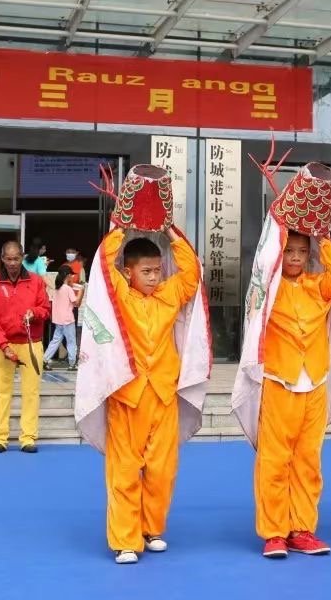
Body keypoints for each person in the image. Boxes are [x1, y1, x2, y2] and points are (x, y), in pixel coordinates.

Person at [74, 163, 210, 566]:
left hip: (163, 393)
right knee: (124, 470)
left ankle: (151, 528)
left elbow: (192, 272)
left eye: (156, 270)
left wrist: (168, 230)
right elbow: (103, 262)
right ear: (128, 273)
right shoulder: (119, 295)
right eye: (145, 271)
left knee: (162, 469)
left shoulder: (169, 295)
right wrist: (123, 223)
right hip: (127, 394)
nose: (153, 276)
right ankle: (125, 539)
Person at [232, 160, 331, 559]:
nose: (293, 256)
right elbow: (264, 265)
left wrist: (321, 237)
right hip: (279, 381)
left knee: (308, 462)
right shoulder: (270, 290)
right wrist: (279, 230)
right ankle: (274, 532)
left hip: (316, 383)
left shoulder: (317, 286)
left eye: (300, 251)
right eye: (289, 250)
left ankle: (302, 529)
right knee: (274, 461)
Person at [0, 240, 50, 454]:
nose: (12, 263)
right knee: (2, 393)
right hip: (4, 345)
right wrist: (3, 345)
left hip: (31, 343)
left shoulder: (36, 281)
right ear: (2, 259)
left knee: (31, 392)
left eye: (16, 258)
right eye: (8, 259)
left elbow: (45, 308)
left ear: (22, 257)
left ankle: (28, 437)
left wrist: (35, 312)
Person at [43, 265, 80, 371]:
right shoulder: (68, 289)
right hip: (68, 320)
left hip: (58, 320)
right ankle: (72, 363)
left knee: (55, 340)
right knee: (71, 341)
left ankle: (45, 360)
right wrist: (81, 291)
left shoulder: (56, 288)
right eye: (71, 275)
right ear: (68, 276)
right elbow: (76, 302)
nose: (72, 277)